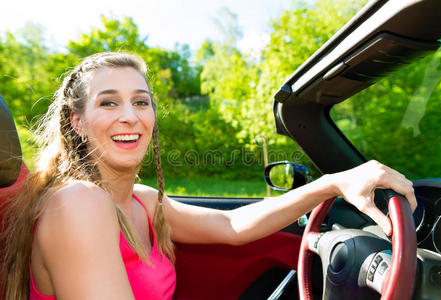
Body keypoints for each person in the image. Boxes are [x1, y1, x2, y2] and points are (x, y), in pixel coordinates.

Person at [0, 52, 416, 300]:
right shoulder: (78, 203)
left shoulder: (142, 200)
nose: (130, 116)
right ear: (77, 121)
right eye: (108, 103)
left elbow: (231, 225)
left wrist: (332, 182)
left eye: (141, 102)